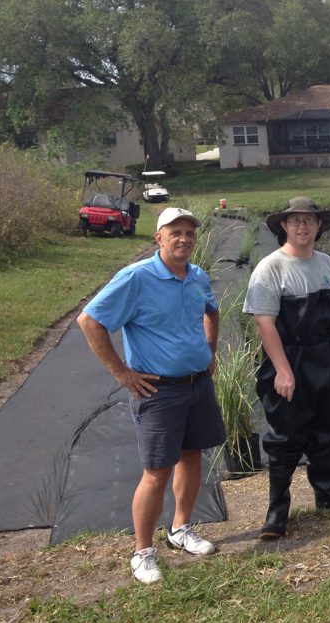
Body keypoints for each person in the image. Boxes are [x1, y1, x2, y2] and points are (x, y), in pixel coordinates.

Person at [77, 207, 226, 584]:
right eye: (175, 232)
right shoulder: (136, 278)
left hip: (196, 384)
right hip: (158, 391)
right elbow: (89, 320)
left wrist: (209, 348)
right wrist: (121, 373)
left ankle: (181, 529)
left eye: (190, 233)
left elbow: (212, 310)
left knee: (192, 456)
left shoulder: (197, 276)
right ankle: (142, 552)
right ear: (158, 237)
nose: (184, 239)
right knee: (156, 471)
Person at [244, 196, 330, 540]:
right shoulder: (270, 267)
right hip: (288, 358)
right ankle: (276, 514)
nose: (303, 226)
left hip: (324, 356)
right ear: (284, 226)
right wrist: (283, 371)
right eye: (296, 221)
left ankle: (329, 495)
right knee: (285, 437)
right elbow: (264, 324)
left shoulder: (327, 263)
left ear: (319, 227)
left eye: (309, 221)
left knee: (326, 430)